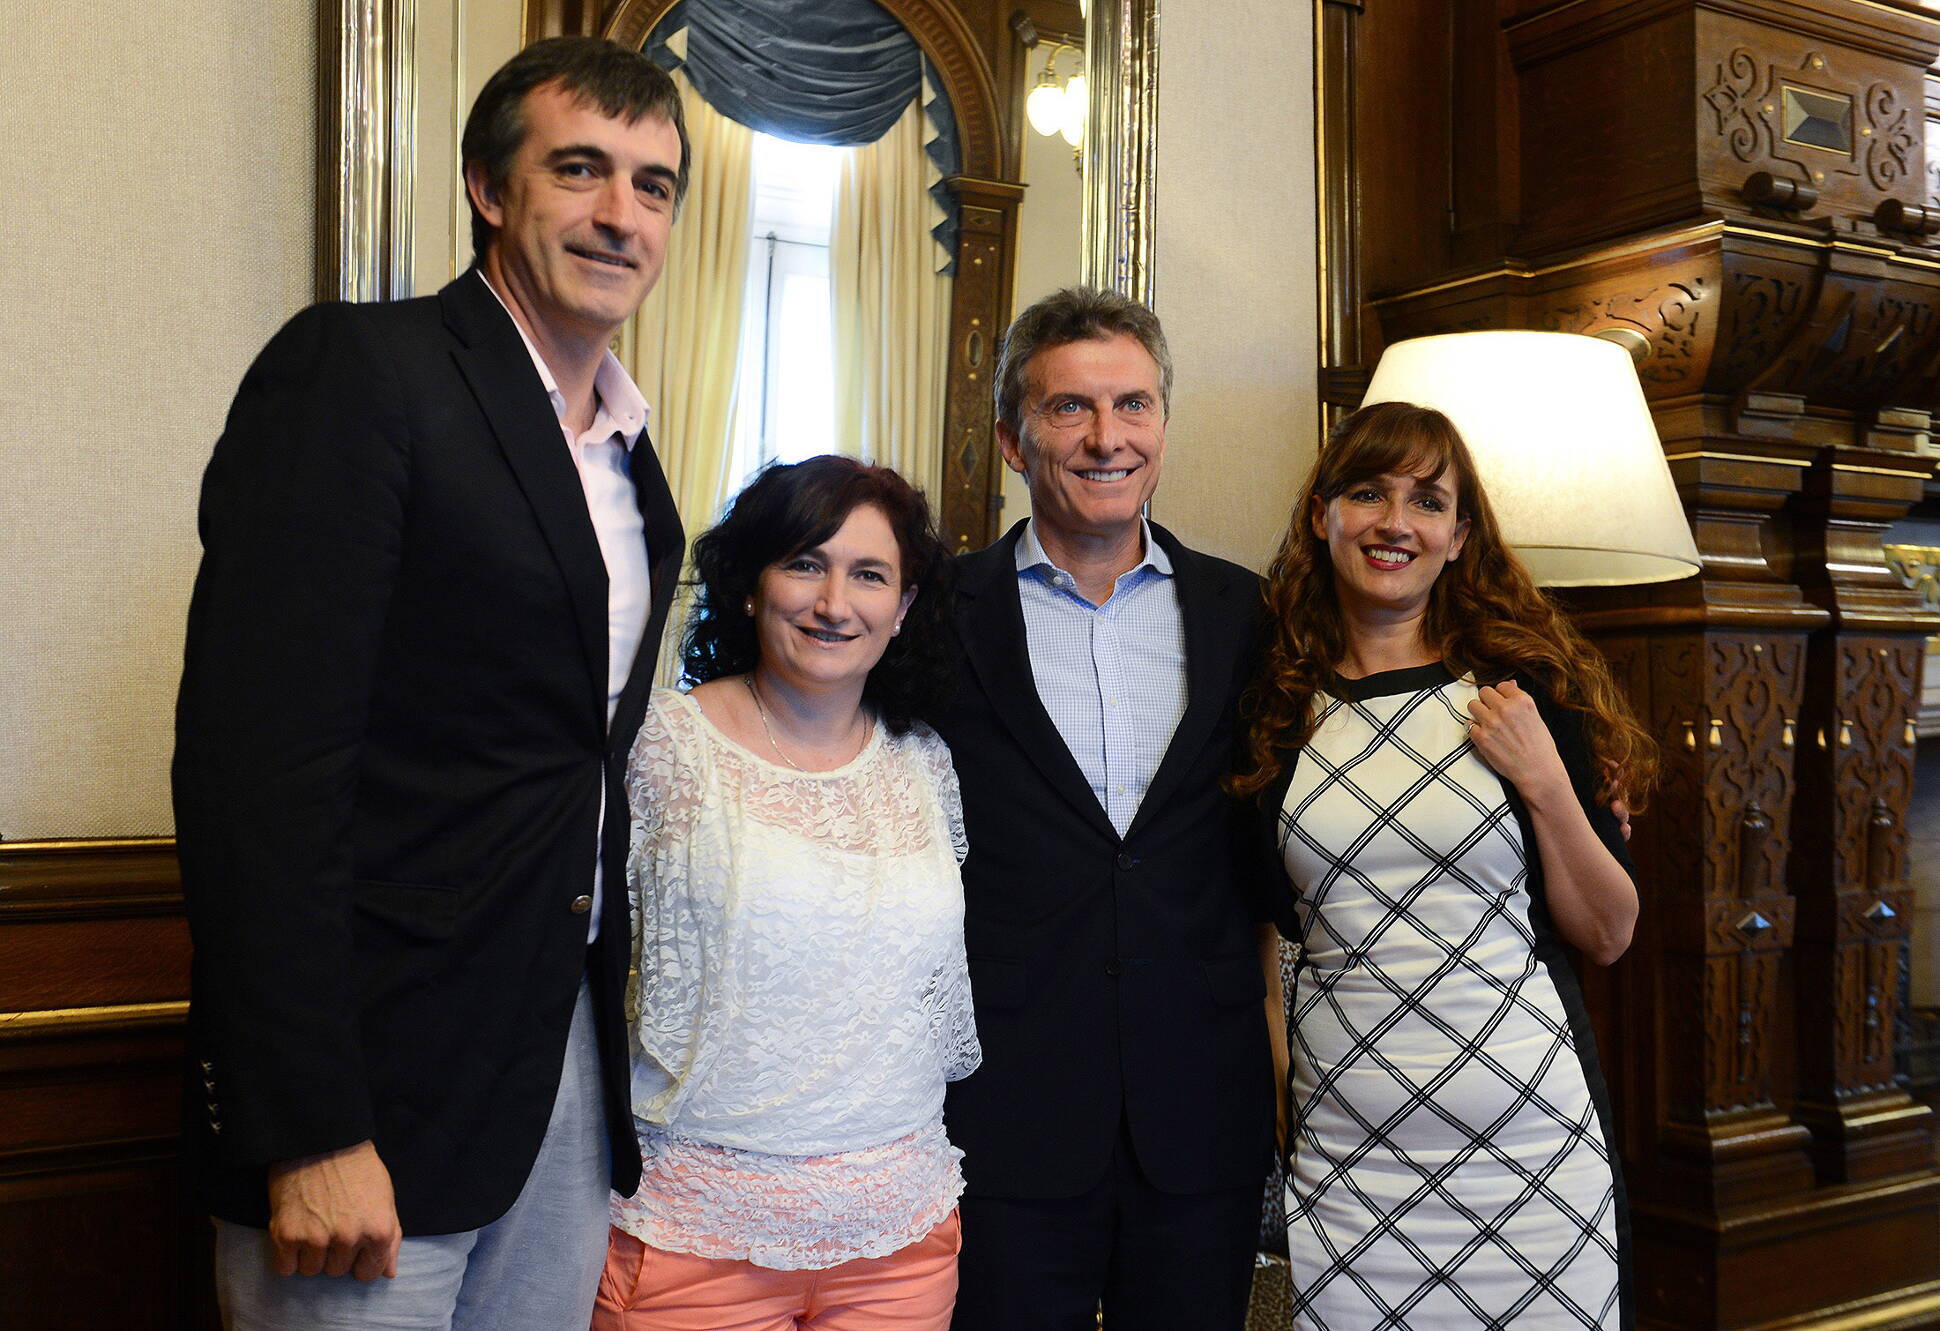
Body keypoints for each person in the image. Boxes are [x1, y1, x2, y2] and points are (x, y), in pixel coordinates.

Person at [173, 36, 690, 1329]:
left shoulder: (630, 458)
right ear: (485, 185)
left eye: (654, 184)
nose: (621, 214)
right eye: (580, 170)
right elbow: (256, 776)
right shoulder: (362, 374)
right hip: (369, 1079)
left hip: (556, 1066)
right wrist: (307, 1125)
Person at [1234, 400, 1648, 1330]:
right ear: (1322, 514)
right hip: (1348, 1171)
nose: (1395, 522)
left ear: (1460, 536)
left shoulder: (1520, 692)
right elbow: (1262, 950)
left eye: (1428, 502)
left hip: (1534, 1160)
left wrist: (1544, 776)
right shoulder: (1273, 710)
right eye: (1368, 492)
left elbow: (1610, 932)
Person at [935, 287, 1278, 1330]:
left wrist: (1567, 759)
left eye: (1131, 405)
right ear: (1010, 438)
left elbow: (1358, 734)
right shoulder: (934, 616)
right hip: (1002, 1109)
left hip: (1198, 1105)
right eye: (1067, 408)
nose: (1104, 437)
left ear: (1162, 428)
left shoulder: (1246, 613)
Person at [593, 455, 979, 1331]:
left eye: (870, 574)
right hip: (696, 1235)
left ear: (905, 606)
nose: (835, 602)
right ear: (747, 584)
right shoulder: (660, 745)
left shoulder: (926, 762)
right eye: (805, 562)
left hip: (901, 1240)